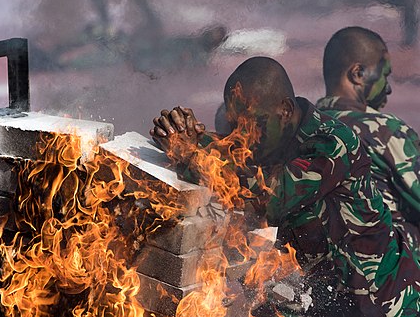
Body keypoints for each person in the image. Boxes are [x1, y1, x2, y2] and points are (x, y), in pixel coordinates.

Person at [151, 56, 420, 316]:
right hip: (326, 297)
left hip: (381, 301)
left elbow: (269, 195)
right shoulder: (270, 136)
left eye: (249, 125)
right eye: (235, 124)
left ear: (286, 111)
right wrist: (183, 136)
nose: (241, 136)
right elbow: (229, 155)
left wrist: (191, 156)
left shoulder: (332, 143)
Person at [316, 26, 420, 250]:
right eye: (384, 75)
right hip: (391, 272)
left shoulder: (308, 128)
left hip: (326, 268)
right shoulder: (385, 131)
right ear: (358, 74)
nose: (388, 88)